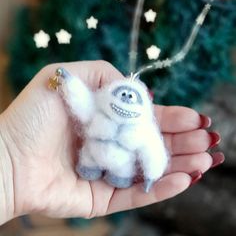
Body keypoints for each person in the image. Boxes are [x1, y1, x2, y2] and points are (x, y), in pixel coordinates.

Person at [0, 61, 224, 226]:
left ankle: (118, 177)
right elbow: (82, 101)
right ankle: (89, 169)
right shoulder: (97, 111)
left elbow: (153, 152)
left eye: (131, 97)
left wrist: (151, 175)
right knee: (87, 162)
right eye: (121, 94)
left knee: (121, 172)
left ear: (143, 108)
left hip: (122, 165)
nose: (125, 98)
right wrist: (67, 83)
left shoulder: (143, 130)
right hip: (91, 154)